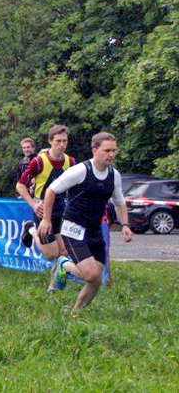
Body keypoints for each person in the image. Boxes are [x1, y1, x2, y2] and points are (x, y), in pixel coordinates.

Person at [40, 132, 132, 312]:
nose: (111, 155)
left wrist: (126, 225)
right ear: (95, 150)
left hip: (94, 229)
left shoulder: (114, 176)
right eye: (107, 150)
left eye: (114, 151)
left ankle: (76, 313)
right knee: (91, 274)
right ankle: (64, 264)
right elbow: (51, 190)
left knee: (96, 279)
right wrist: (46, 219)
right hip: (73, 227)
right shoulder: (81, 170)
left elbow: (120, 202)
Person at [16, 125, 75, 292]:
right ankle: (31, 231)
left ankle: (53, 287)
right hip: (42, 210)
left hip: (61, 209)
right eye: (58, 141)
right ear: (50, 142)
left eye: (65, 141)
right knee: (50, 254)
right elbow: (20, 186)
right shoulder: (39, 161)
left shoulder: (70, 161)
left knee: (63, 251)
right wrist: (34, 205)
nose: (62, 145)